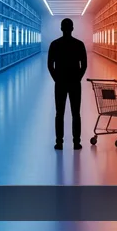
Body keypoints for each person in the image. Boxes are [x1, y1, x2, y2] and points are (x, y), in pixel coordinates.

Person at [47, 18, 88, 150]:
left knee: (59, 113)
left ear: (61, 28)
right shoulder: (79, 44)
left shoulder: (54, 44)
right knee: (76, 113)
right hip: (75, 83)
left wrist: (56, 78)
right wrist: (78, 78)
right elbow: (84, 65)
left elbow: (50, 65)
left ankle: (59, 142)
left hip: (60, 82)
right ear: (72, 28)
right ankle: (76, 142)